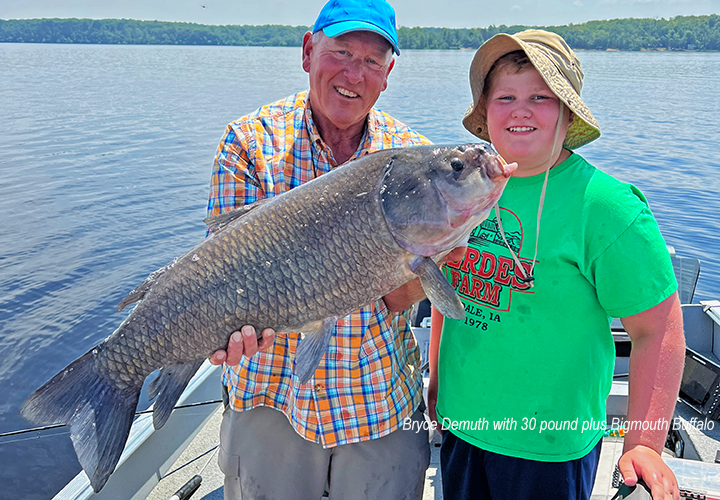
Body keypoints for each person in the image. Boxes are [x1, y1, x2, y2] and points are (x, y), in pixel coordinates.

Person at [204, 1, 453, 498]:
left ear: (388, 74)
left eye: (371, 62)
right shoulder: (249, 142)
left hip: (378, 402)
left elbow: (405, 296)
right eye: (340, 52)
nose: (353, 74)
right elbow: (222, 268)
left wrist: (436, 259)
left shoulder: (414, 163)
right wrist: (222, 327)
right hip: (271, 399)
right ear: (307, 51)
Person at [427, 30, 685, 500]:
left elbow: (659, 329)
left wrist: (645, 444)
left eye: (540, 97)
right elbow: (447, 289)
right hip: (462, 428)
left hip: (551, 446)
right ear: (485, 112)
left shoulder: (606, 208)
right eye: (505, 96)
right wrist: (438, 381)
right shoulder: (460, 188)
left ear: (568, 112)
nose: (521, 110)